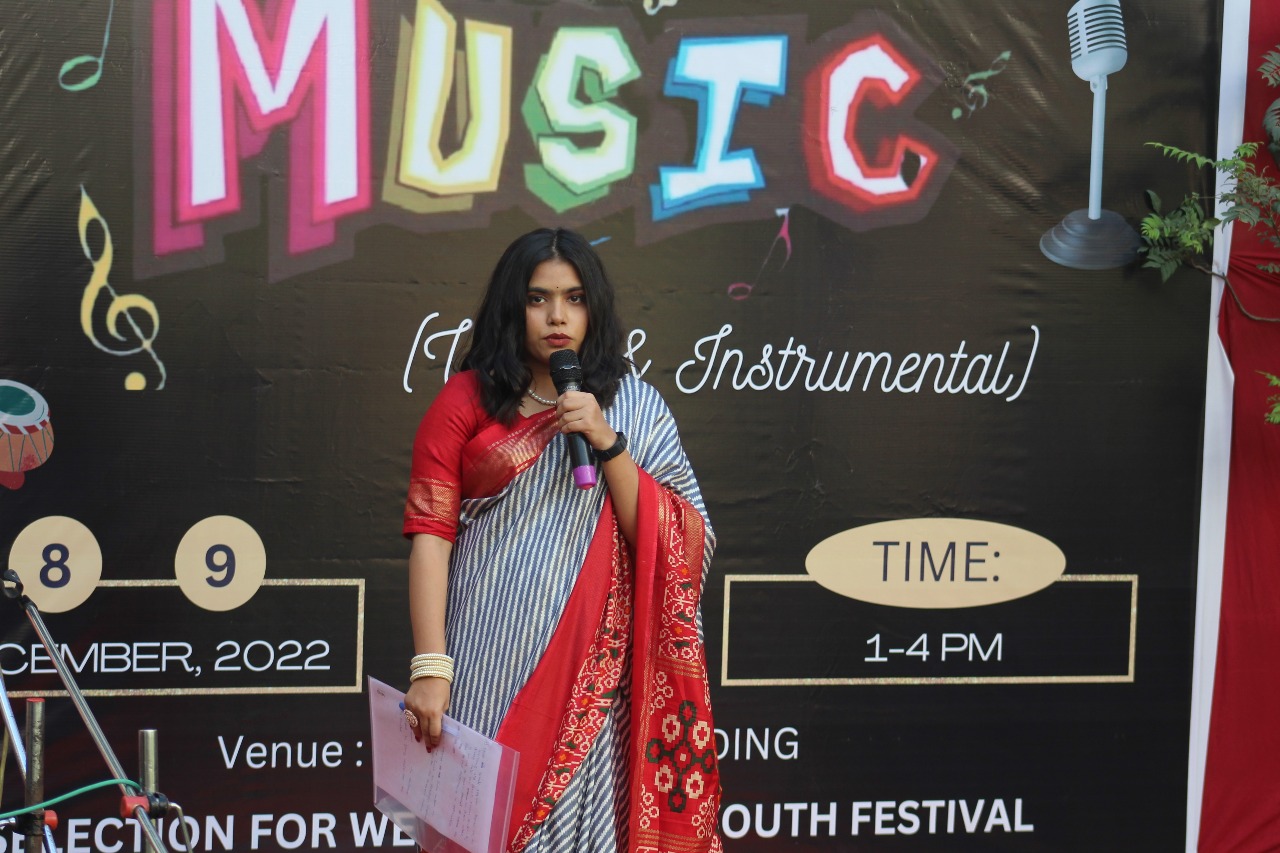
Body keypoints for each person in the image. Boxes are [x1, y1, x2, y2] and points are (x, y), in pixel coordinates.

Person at [401, 228, 723, 853]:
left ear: (593, 308)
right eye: (538, 299)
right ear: (511, 307)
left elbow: (682, 544)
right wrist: (432, 669)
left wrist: (607, 442)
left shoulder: (632, 407)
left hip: (594, 672)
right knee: (480, 824)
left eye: (574, 298)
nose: (557, 316)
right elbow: (430, 538)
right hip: (484, 658)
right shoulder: (466, 400)